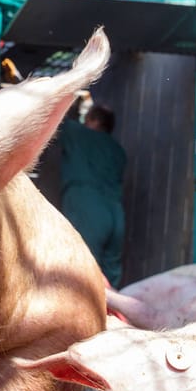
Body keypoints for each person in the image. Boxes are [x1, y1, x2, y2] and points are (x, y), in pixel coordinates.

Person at [58, 92, 127, 287]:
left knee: (82, 271)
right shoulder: (118, 150)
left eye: (86, 119)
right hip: (115, 214)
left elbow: (55, 117)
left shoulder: (77, 134)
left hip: (88, 208)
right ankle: (111, 316)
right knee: (109, 278)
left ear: (93, 120)